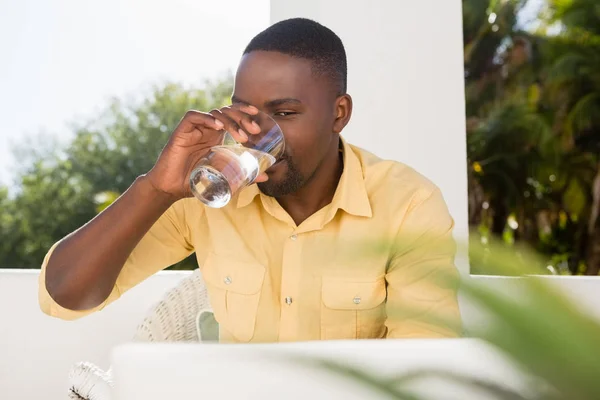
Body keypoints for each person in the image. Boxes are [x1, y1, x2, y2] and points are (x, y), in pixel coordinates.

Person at [39, 18, 462, 342]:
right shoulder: (204, 193)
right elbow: (64, 298)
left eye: (284, 113)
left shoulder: (407, 204)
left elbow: (425, 363)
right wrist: (156, 188)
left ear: (339, 113)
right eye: (244, 111)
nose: (257, 132)